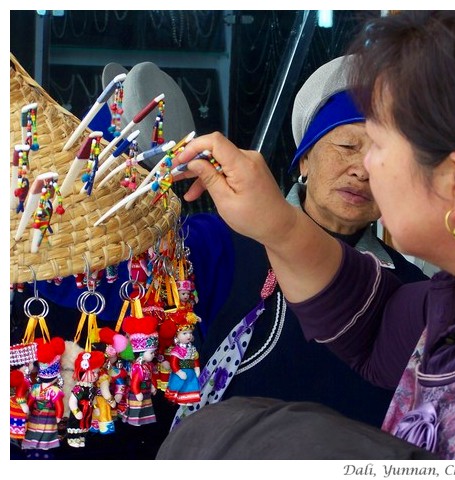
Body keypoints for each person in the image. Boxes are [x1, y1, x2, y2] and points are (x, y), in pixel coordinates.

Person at [169, 11, 455, 460]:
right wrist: (275, 222)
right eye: (349, 145)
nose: (366, 168)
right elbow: (373, 321)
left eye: (378, 143)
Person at [174, 55, 427, 429]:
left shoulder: (409, 288)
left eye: (381, 155)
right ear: (305, 159)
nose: (361, 170)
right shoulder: (219, 241)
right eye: (347, 146)